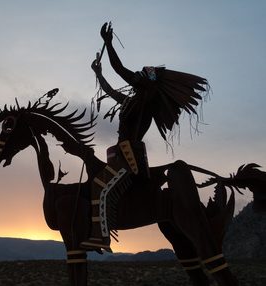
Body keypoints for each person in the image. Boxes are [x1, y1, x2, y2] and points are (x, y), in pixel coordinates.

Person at [81, 22, 209, 252]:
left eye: (142, 73)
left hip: (130, 156)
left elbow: (120, 69)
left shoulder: (147, 99)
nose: (137, 74)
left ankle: (100, 238)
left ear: (149, 82)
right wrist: (99, 74)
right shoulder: (133, 101)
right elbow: (111, 91)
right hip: (120, 152)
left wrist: (109, 43)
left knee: (100, 185)